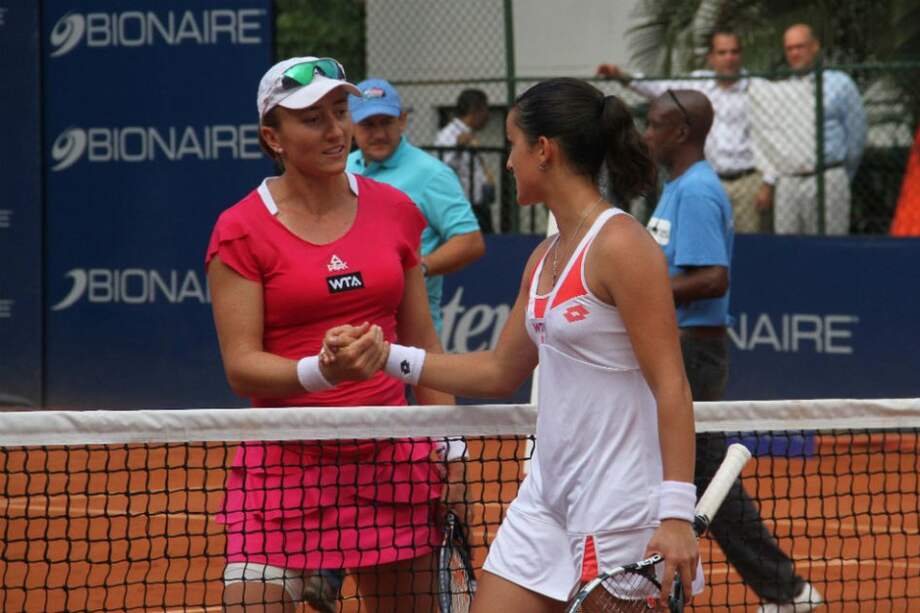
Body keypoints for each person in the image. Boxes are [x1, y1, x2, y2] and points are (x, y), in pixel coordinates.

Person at [324, 77, 701, 613]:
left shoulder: (623, 245)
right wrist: (386, 356)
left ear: (542, 150)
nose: (507, 162)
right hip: (545, 498)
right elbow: (500, 370)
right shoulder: (545, 256)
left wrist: (675, 514)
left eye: (512, 146)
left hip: (616, 506)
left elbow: (672, 383)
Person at [205, 56, 457, 613]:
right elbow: (242, 363)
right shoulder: (240, 229)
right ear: (273, 136)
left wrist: (452, 449)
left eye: (341, 112)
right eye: (313, 119)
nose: (337, 129)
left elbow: (424, 348)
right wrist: (323, 371)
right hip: (283, 468)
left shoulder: (396, 210)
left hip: (393, 465)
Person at [643, 89, 821, 613]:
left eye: (655, 125)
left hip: (693, 353)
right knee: (695, 477)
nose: (646, 134)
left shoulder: (696, 192)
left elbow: (713, 278)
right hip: (682, 350)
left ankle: (786, 591)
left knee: (701, 479)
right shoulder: (679, 187)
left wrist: (638, 294)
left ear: (680, 133)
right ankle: (785, 591)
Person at [346, 78, 486, 337]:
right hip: (353, 329)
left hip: (412, 332)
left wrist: (416, 269)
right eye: (367, 124)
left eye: (386, 122)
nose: (378, 133)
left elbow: (470, 241)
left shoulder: (431, 173)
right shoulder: (343, 169)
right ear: (350, 126)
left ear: (402, 120)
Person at [598, 30, 767, 233]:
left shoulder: (756, 87)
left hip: (747, 181)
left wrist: (768, 181)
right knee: (706, 233)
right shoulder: (699, 83)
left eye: (734, 52)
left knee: (749, 244)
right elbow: (661, 89)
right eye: (722, 52)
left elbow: (770, 132)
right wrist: (623, 77)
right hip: (710, 177)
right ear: (711, 58)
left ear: (741, 55)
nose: (729, 58)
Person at [753, 23, 867, 235]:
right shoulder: (781, 90)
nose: (795, 53)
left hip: (828, 175)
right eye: (789, 48)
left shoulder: (840, 84)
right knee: (788, 250)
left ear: (815, 46)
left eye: (800, 47)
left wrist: (840, 175)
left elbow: (857, 136)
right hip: (788, 180)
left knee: (830, 247)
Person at [434, 89, 497, 233]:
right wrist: (458, 147)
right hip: (462, 207)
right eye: (485, 110)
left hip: (477, 204)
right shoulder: (448, 135)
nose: (487, 116)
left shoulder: (468, 134)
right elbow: (440, 167)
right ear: (476, 110)